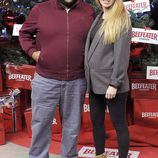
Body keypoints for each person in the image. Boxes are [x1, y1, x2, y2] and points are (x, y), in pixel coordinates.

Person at [19, 0, 95, 158]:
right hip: (45, 79)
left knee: (72, 126)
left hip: (77, 80)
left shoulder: (88, 11)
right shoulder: (41, 9)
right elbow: (24, 33)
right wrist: (34, 53)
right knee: (41, 124)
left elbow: (96, 40)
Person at [84, 0, 132, 157]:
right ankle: (100, 155)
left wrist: (114, 83)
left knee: (119, 125)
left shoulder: (121, 19)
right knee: (97, 123)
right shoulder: (99, 16)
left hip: (112, 84)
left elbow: (121, 55)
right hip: (94, 82)